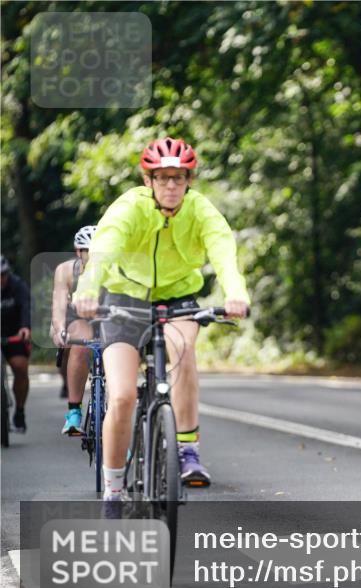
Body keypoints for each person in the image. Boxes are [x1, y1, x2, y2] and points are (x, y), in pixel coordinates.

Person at [73, 137, 250, 506]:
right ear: (148, 180)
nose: (171, 185)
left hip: (177, 296)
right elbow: (104, 249)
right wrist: (88, 289)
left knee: (183, 349)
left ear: (189, 180)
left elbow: (223, 251)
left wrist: (236, 293)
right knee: (121, 396)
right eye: (163, 178)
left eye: (179, 178)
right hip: (124, 297)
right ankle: (114, 488)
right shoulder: (129, 209)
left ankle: (187, 451)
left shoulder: (200, 210)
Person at [51, 226, 97, 435]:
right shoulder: (66, 271)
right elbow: (59, 304)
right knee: (80, 341)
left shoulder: (115, 267)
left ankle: (119, 430)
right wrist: (60, 329)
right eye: (89, 250)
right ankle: (74, 411)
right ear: (79, 252)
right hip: (78, 317)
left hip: (108, 317)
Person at [1, 255, 31, 433]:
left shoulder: (17, 285)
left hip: (14, 335)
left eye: (3, 275)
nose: (0, 279)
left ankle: (19, 411)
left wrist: (26, 327)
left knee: (20, 367)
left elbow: (26, 306)